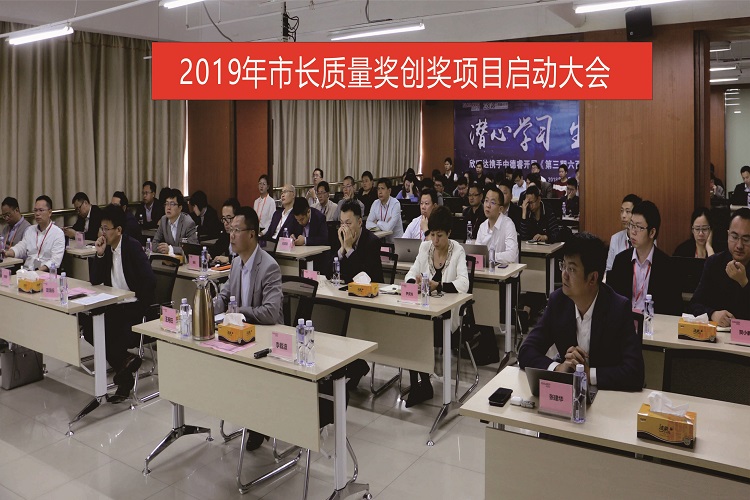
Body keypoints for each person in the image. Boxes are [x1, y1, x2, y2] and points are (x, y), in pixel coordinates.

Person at [518, 232, 645, 391]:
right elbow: (526, 351)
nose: (564, 275)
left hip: (607, 395)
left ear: (592, 278)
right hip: (568, 395)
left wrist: (588, 374)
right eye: (563, 265)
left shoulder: (617, 308)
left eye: (571, 269)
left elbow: (635, 373)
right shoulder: (558, 302)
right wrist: (558, 368)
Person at [214, 206, 283, 451]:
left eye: (236, 230)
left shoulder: (269, 266)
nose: (231, 235)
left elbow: (271, 312)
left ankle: (259, 424)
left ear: (252, 234)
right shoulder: (235, 263)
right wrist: (204, 307)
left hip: (266, 339)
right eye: (230, 230)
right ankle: (248, 414)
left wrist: (239, 312)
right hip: (240, 336)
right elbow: (224, 296)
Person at [85, 204, 155, 403]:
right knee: (90, 328)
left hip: (135, 307)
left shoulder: (132, 247)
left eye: (106, 229)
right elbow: (95, 280)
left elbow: (150, 281)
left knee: (111, 333)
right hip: (115, 305)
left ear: (118, 230)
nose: (103, 233)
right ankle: (126, 362)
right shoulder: (107, 249)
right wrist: (99, 254)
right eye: (101, 228)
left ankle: (124, 381)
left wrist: (135, 299)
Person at [404, 206, 469, 407]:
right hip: (425, 311)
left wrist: (439, 285)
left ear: (449, 233)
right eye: (432, 234)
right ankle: (419, 384)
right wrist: (413, 282)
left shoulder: (457, 250)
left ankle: (423, 385)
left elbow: (463, 284)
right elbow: (411, 272)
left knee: (416, 331)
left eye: (440, 235)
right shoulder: (425, 248)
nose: (435, 240)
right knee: (410, 328)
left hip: (447, 317)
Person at [337, 200, 383, 390]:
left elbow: (365, 278)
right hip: (348, 297)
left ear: (359, 222)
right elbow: (337, 274)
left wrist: (348, 250)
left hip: (371, 301)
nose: (344, 228)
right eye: (341, 223)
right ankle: (353, 366)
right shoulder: (342, 237)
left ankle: (356, 365)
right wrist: (342, 251)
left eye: (348, 223)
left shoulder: (372, 242)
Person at [608, 201, 682, 315]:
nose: (632, 232)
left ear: (652, 232)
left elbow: (673, 309)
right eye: (631, 225)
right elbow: (612, 303)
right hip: (625, 322)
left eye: (638, 227)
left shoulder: (667, 266)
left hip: (653, 323)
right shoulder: (621, 261)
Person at [690, 208, 750, 325]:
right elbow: (694, 305)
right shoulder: (714, 263)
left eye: (746, 239)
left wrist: (744, 283)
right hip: (717, 334)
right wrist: (712, 314)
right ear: (728, 235)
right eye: (734, 237)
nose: (739, 245)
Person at [3, 195, 64, 271]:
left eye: (41, 210)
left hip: (45, 273)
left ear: (49, 212)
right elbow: (21, 247)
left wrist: (38, 271)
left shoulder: (58, 233)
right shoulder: (30, 230)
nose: (37, 214)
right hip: (27, 271)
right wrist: (6, 253)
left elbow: (55, 261)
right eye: (35, 210)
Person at [476, 185, 519, 263]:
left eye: (492, 202)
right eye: (486, 200)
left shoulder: (508, 225)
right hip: (487, 268)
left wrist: (489, 256)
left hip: (507, 269)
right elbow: (477, 253)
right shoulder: (482, 226)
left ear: (500, 209)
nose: (488, 205)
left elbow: (511, 256)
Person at [152, 189, 198, 255]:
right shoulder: (164, 220)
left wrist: (170, 249)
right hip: (169, 260)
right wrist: (164, 249)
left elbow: (193, 248)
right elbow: (154, 244)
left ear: (180, 208)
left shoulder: (188, 223)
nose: (168, 207)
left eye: (172, 204)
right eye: (166, 203)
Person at [606, 194, 642, 273]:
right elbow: (609, 269)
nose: (623, 215)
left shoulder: (647, 239)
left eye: (628, 211)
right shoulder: (615, 239)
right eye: (622, 211)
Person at [366, 178, 403, 243]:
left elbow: (389, 228)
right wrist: (384, 225)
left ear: (389, 191)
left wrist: (377, 222)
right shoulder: (375, 203)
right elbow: (368, 224)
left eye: (382, 188)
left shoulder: (395, 204)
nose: (380, 192)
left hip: (396, 243)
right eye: (378, 189)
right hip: (381, 241)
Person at [210, 197, 241, 265]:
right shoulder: (225, 234)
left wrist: (228, 259)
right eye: (224, 218)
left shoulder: (243, 235)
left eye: (228, 218)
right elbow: (216, 249)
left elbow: (245, 258)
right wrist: (208, 255)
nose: (225, 223)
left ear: (237, 217)